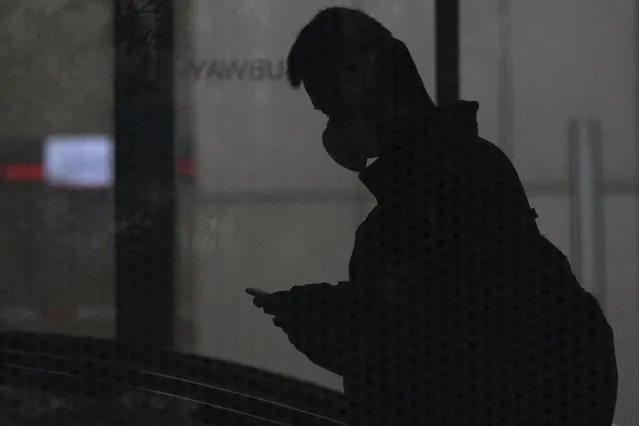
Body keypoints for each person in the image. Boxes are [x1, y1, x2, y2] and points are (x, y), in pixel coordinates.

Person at [247, 7, 618, 426]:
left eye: (331, 107)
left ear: (368, 84)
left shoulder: (433, 190)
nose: (333, 126)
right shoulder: (467, 169)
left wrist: (324, 322)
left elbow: (419, 347)